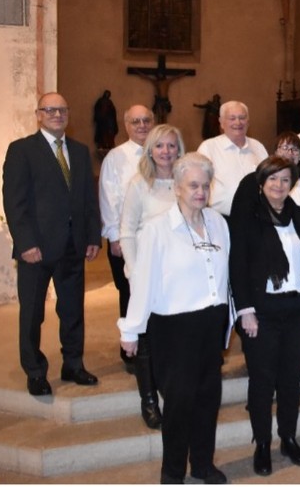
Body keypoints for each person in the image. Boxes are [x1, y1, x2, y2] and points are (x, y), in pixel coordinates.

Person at [118, 153, 230, 484]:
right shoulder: (157, 230)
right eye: (193, 185)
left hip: (211, 324)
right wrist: (132, 329)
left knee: (208, 400)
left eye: (205, 185)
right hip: (175, 328)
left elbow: (225, 277)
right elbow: (143, 282)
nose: (200, 191)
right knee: (179, 406)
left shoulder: (218, 223)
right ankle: (173, 472)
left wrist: (232, 318)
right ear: (177, 188)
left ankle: (203, 464)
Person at [229, 156, 300, 476]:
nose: (279, 185)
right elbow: (238, 268)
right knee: (262, 381)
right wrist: (245, 311)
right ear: (261, 182)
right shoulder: (248, 217)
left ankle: (288, 437)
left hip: (296, 308)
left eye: (285, 180)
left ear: (293, 183)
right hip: (263, 311)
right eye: (272, 179)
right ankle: (261, 444)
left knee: (290, 380)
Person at [2, 92, 101, 396]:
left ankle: (73, 363)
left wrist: (93, 236)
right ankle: (34, 371)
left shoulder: (80, 151)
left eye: (62, 109)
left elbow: (88, 198)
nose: (57, 114)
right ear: (39, 114)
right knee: (32, 312)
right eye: (51, 110)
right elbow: (14, 202)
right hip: (37, 248)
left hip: (73, 245)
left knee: (72, 310)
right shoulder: (22, 150)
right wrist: (26, 242)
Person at [119, 124, 185, 429]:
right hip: (146, 272)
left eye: (172, 146)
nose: (166, 152)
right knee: (144, 339)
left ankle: (173, 394)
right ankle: (148, 400)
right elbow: (127, 232)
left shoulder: (187, 182)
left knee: (172, 339)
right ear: (150, 150)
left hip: (179, 275)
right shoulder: (138, 184)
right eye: (160, 146)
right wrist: (134, 272)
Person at [98, 104, 154, 373]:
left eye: (146, 120)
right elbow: (109, 200)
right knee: (129, 292)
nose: (141, 125)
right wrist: (114, 237)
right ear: (126, 124)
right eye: (135, 121)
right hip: (126, 238)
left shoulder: (162, 152)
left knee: (155, 291)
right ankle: (130, 349)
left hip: (156, 239)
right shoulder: (115, 157)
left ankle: (153, 344)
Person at [197, 100, 268, 221]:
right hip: (221, 220)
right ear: (221, 122)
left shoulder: (258, 147)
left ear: (248, 121)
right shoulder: (208, 148)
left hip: (257, 219)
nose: (238, 122)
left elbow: (269, 180)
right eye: (232, 118)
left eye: (242, 118)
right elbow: (198, 184)